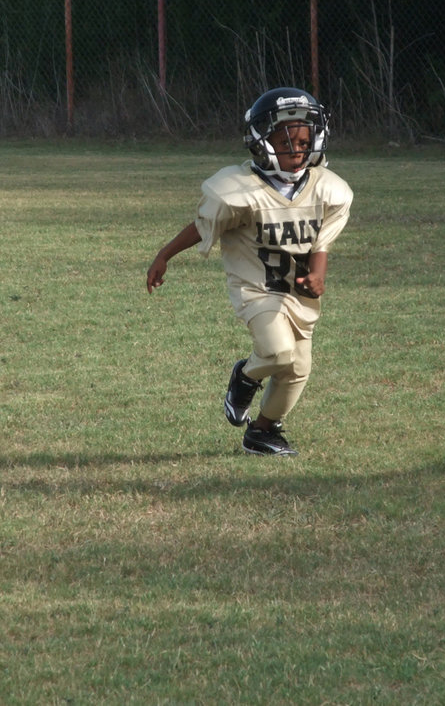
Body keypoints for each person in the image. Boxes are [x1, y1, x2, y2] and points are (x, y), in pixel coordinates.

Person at [147, 87, 353, 457]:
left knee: (298, 369)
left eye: (304, 141)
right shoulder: (239, 191)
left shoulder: (328, 189)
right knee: (277, 354)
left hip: (296, 292)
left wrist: (318, 275)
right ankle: (244, 377)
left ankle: (261, 432)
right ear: (262, 142)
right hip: (256, 287)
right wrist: (166, 254)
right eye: (286, 142)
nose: (297, 150)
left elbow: (322, 241)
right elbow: (202, 225)